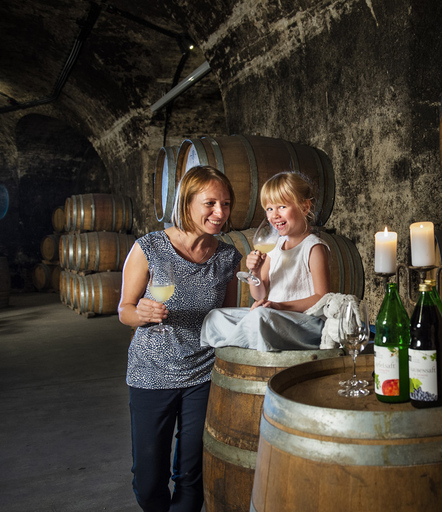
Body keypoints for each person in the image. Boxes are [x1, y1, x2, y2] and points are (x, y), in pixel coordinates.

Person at [117, 165, 243, 512]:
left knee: (192, 472)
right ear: (187, 203)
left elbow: (225, 320)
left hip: (203, 374)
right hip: (151, 373)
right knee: (148, 476)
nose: (220, 213)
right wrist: (139, 313)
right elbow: (124, 309)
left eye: (226, 204)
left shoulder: (227, 257)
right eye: (210, 203)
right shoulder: (149, 248)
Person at [200, 171, 330, 351]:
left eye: (282, 207)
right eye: (269, 209)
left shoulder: (313, 247)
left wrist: (279, 306)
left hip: (305, 323)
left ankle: (243, 339)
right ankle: (247, 338)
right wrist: (255, 272)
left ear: (305, 207)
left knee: (260, 318)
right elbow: (259, 294)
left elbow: (322, 298)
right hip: (274, 317)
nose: (274, 215)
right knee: (216, 316)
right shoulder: (275, 246)